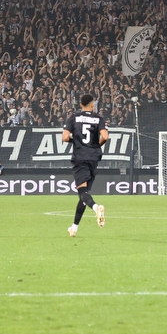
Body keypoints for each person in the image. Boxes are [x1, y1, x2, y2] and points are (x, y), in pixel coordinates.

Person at [63, 94, 108, 236]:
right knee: (84, 194)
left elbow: (64, 137)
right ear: (92, 105)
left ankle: (96, 208)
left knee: (83, 193)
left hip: (80, 157)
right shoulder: (98, 118)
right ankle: (74, 228)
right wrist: (96, 144)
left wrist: (76, 141)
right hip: (94, 157)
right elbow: (105, 136)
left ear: (81, 105)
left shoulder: (74, 118)